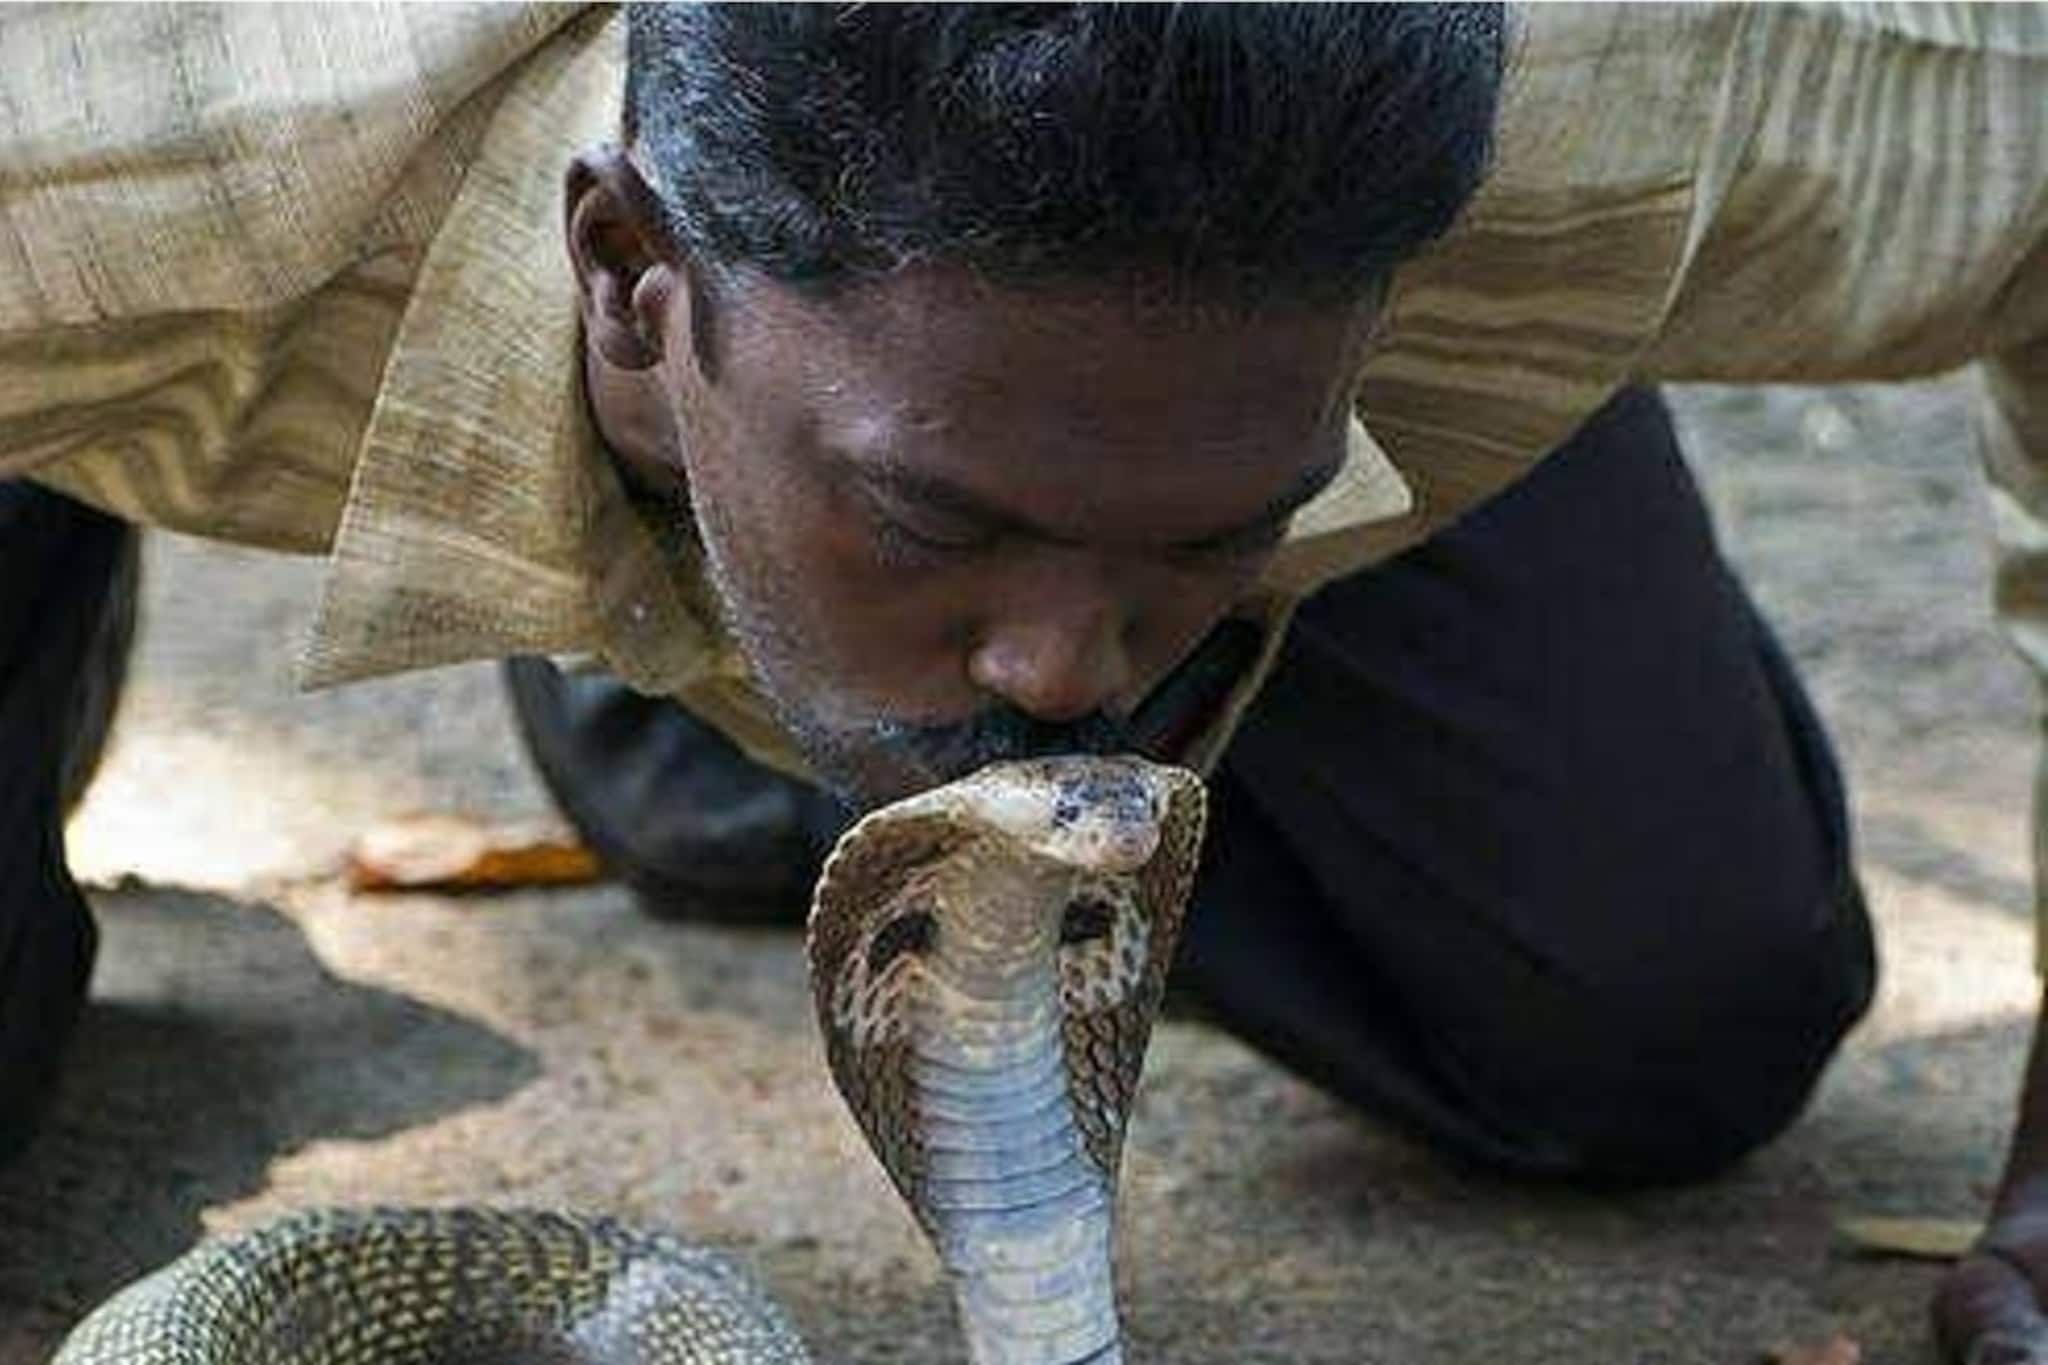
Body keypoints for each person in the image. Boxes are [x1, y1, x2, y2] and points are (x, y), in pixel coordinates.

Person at [1, 4, 2042, 1359]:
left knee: (1649, 1021)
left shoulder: (1692, 84)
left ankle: (789, 645)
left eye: (1193, 541)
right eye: (935, 518)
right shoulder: (105, 142)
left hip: (1237, 357)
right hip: (115, 341)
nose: (1069, 666)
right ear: (631, 277)